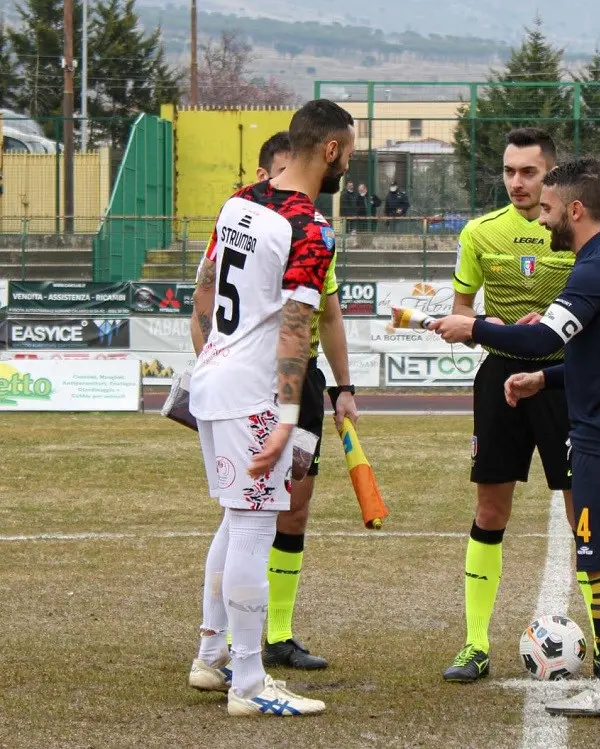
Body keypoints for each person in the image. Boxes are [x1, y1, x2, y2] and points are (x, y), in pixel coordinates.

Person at [431, 155, 600, 717]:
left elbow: (542, 338)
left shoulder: (595, 269)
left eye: (550, 210)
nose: (542, 221)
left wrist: (475, 327)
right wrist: (546, 379)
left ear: (577, 210)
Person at [184, 98, 354, 717]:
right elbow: (295, 326)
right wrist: (286, 418)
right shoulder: (309, 227)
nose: (348, 169)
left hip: (214, 384)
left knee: (235, 518)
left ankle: (211, 657)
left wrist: (209, 359)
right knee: (255, 526)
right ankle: (250, 685)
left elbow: (204, 288)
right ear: (330, 150)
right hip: (255, 394)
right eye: (349, 154)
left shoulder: (238, 201)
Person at [439, 127, 589, 684]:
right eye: (508, 171)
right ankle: (475, 644)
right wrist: (488, 328)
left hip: (562, 380)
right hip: (500, 377)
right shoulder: (480, 233)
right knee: (489, 512)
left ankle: (599, 641)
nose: (517, 182)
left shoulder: (573, 232)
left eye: (528, 172)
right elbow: (462, 310)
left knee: (584, 516)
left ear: (551, 175)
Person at [243, 131, 361, 671]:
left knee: (294, 506)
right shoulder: (248, 219)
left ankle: (278, 634)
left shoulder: (317, 239)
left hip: (304, 381)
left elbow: (327, 315)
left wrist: (343, 388)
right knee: (246, 512)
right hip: (252, 379)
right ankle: (229, 641)